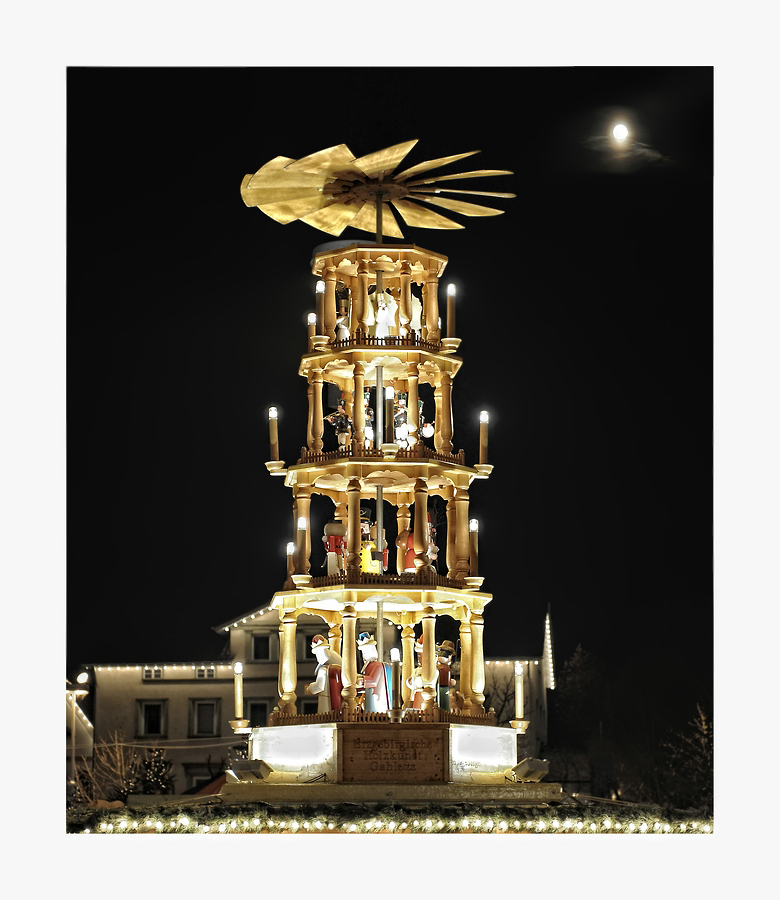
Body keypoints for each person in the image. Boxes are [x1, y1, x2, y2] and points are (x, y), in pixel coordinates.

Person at [305, 635, 343, 713]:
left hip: (327, 699)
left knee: (324, 712)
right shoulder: (337, 667)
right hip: (339, 698)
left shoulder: (324, 670)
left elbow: (319, 686)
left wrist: (309, 688)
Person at [356, 633, 392, 712]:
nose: (364, 655)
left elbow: (373, 681)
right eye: (363, 653)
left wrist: (361, 680)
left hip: (378, 699)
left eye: (365, 652)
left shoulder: (378, 666)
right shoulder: (368, 667)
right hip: (370, 697)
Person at [435, 640, 457, 711]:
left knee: (445, 702)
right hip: (441, 688)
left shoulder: (443, 668)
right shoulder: (443, 668)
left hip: (443, 688)